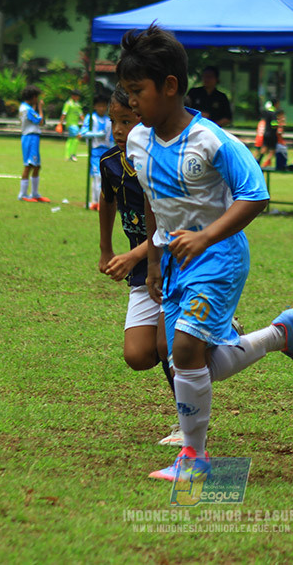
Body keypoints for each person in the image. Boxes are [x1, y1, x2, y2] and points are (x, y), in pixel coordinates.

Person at [117, 25, 293, 482]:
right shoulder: (138, 141)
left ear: (170, 86)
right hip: (173, 263)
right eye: (127, 92)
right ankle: (280, 335)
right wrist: (153, 259)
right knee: (189, 361)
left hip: (219, 257)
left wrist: (205, 237)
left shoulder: (212, 140)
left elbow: (255, 196)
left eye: (138, 91)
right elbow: (154, 203)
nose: (131, 102)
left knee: (187, 350)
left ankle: (193, 460)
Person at [98, 85, 178, 442]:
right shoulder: (110, 163)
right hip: (141, 266)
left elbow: (168, 223)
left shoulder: (156, 163)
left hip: (173, 259)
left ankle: (186, 421)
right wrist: (105, 248)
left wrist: (132, 255)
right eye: (113, 121)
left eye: (126, 121)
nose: (118, 129)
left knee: (167, 345)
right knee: (137, 355)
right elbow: (107, 202)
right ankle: (217, 337)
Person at [17, 85, 50, 203]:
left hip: (31, 137)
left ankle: (34, 193)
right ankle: (23, 194)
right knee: (29, 165)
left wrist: (36, 107)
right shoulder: (27, 109)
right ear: (33, 97)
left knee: (36, 165)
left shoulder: (24, 107)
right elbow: (40, 121)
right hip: (30, 138)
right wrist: (40, 108)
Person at [84, 93, 112, 210]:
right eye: (99, 106)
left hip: (107, 151)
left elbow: (112, 137)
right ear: (95, 106)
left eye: (104, 106)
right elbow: (84, 132)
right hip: (95, 151)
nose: (102, 108)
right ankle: (95, 201)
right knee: (97, 176)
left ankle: (100, 201)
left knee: (106, 178)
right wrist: (96, 134)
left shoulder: (109, 120)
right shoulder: (91, 118)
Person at [60, 89, 84, 162]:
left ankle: (67, 155)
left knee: (71, 139)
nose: (78, 98)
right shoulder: (68, 104)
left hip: (75, 124)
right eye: (77, 96)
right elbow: (64, 114)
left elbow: (81, 115)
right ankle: (72, 155)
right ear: (73, 96)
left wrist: (86, 123)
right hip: (71, 124)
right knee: (77, 137)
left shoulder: (78, 104)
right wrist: (60, 123)